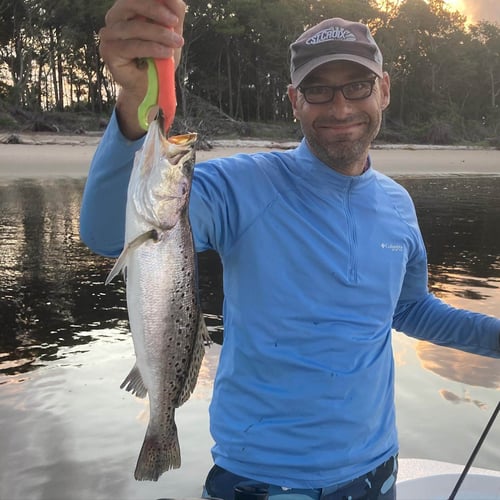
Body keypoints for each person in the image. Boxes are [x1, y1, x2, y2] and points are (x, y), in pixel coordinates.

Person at [80, 1, 500, 498]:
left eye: (357, 86)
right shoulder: (238, 187)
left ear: (383, 91)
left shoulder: (398, 205)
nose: (340, 107)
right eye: (318, 90)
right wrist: (134, 106)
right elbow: (111, 235)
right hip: (260, 480)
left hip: (377, 472)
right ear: (294, 100)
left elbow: (409, 309)